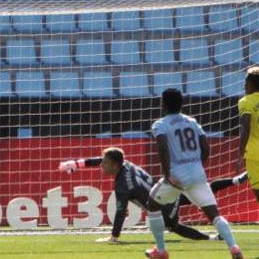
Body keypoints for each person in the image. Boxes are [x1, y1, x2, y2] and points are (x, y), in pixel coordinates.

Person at [59, 148, 247, 243]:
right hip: (167, 190)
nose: (101, 166)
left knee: (172, 226)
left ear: (114, 165)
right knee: (202, 190)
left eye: (104, 164)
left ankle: (212, 239)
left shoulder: (123, 185)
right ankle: (236, 181)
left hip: (160, 203)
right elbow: (105, 158)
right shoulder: (126, 163)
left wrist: (114, 237)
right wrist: (78, 163)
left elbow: (120, 213)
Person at [144, 89, 242, 259]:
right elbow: (206, 148)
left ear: (163, 104)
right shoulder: (192, 122)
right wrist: (197, 166)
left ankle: (161, 251)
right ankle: (234, 249)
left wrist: (167, 174)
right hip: (197, 173)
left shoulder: (160, 124)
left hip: (176, 175)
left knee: (152, 205)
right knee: (214, 214)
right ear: (182, 104)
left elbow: (162, 147)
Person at [237, 66, 259, 203]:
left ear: (251, 84)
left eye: (246, 83)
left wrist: (240, 155)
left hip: (254, 155)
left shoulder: (246, 101)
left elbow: (246, 127)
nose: (244, 86)